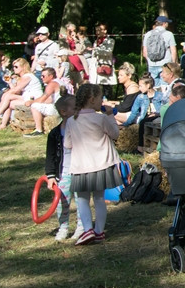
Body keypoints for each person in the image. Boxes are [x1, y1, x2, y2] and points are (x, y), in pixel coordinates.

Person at [66, 83, 121, 245]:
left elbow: (68, 144)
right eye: (100, 98)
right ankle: (99, 231)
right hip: (101, 164)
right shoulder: (101, 118)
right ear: (91, 100)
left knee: (82, 199)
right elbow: (115, 134)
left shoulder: (71, 120)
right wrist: (111, 116)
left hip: (81, 166)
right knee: (99, 197)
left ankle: (88, 229)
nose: (102, 101)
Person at [44, 95, 80, 241]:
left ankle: (82, 228)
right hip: (63, 172)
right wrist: (51, 175)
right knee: (62, 201)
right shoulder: (55, 133)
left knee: (81, 201)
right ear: (64, 112)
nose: (78, 110)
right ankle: (63, 227)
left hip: (80, 171)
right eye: (75, 108)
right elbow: (50, 155)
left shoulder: (81, 129)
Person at [0, 57, 43, 131]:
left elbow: (16, 90)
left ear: (23, 67)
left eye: (16, 67)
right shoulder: (22, 77)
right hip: (27, 97)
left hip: (34, 99)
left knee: (7, 96)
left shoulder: (28, 76)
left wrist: (5, 95)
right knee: (9, 101)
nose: (14, 68)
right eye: (13, 67)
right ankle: (2, 123)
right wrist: (10, 82)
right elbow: (18, 92)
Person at [26, 67, 63, 137]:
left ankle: (38, 130)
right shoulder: (59, 81)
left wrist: (31, 102)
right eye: (41, 76)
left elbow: (42, 99)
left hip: (57, 109)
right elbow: (50, 99)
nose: (41, 77)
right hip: (62, 107)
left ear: (51, 76)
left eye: (43, 76)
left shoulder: (52, 84)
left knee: (34, 106)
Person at [142, 16, 177, 84]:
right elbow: (173, 51)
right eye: (167, 23)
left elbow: (144, 52)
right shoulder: (169, 34)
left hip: (152, 64)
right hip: (165, 65)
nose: (168, 24)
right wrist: (173, 64)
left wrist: (149, 61)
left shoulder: (148, 34)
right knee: (165, 87)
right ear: (164, 23)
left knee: (154, 87)